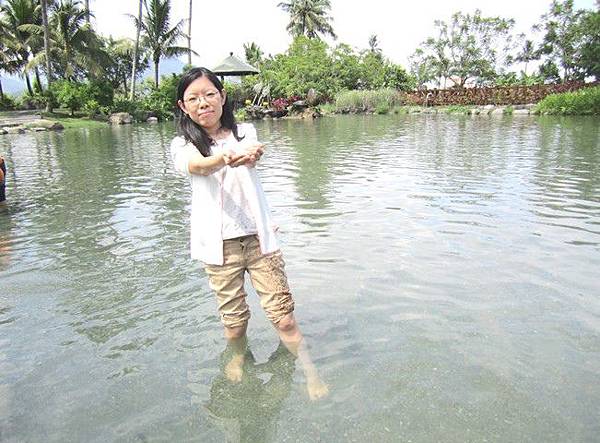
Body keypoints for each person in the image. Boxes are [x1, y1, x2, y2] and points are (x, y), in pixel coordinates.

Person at [170, 67, 328, 400]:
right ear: (183, 107)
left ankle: (311, 371)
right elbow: (195, 166)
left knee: (283, 318)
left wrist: (249, 154)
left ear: (222, 97)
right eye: (193, 98)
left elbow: (253, 152)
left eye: (209, 94)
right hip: (218, 247)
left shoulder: (245, 132)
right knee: (234, 322)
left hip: (259, 240)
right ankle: (239, 356)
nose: (203, 103)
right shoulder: (182, 144)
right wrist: (221, 158)